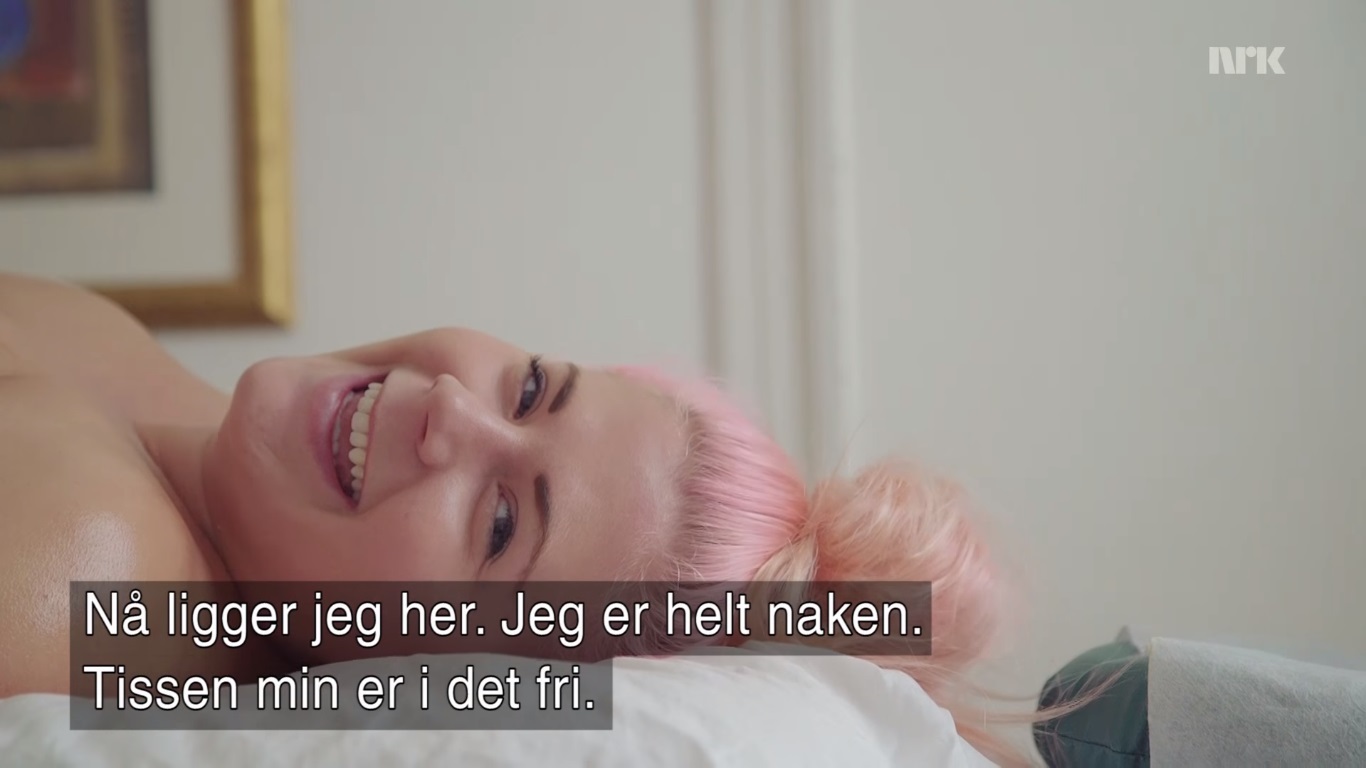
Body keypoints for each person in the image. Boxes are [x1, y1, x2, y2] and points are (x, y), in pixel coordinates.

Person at [0, 272, 1057, 765]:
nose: (449, 413)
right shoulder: (146, 387)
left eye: (501, 525)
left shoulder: (80, 574)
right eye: (532, 389)